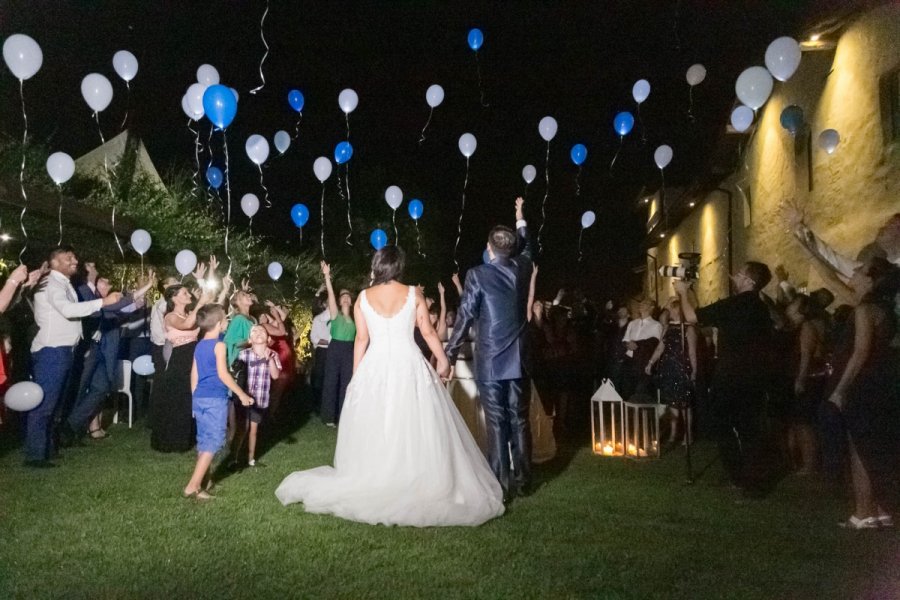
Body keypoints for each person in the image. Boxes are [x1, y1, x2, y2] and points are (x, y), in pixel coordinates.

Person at [276, 246, 504, 526]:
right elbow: (428, 331)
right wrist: (443, 360)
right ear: (399, 267)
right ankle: (414, 476)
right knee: (412, 419)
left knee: (381, 419)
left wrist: (356, 377)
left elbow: (361, 340)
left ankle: (382, 474)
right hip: (408, 363)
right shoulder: (413, 293)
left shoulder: (363, 297)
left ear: (378, 265)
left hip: (375, 366)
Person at [445, 197, 534, 501]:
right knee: (519, 420)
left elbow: (466, 313)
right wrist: (520, 218)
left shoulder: (478, 275)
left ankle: (499, 483)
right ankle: (524, 480)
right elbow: (526, 246)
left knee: (497, 421)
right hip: (520, 361)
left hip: (492, 361)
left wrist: (450, 351)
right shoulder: (523, 268)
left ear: (490, 247)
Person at [676, 262, 776, 498]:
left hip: (731, 375)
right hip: (755, 375)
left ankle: (740, 476)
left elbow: (692, 316)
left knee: (721, 424)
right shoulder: (761, 308)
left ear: (750, 281)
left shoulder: (734, 304)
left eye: (740, 274)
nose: (736, 277)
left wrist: (682, 293)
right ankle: (753, 483)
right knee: (750, 428)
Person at [26, 246, 122, 467]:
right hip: (52, 350)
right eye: (68, 257)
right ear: (54, 262)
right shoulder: (51, 283)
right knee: (45, 403)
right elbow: (68, 310)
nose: (75, 260)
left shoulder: (63, 283)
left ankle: (48, 449)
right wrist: (103, 302)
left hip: (64, 349)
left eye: (74, 256)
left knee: (58, 402)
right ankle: (35, 454)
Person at [827, 257, 899, 529]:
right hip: (881, 380)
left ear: (871, 279)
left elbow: (860, 352)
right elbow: (834, 282)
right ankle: (875, 509)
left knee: (858, 448)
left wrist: (840, 390)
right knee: (870, 446)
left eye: (859, 271)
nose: (853, 274)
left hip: (863, 384)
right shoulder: (885, 309)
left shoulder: (865, 310)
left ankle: (863, 512)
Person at [184, 304, 254, 501]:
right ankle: (192, 486)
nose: (227, 322)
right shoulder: (219, 346)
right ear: (218, 323)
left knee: (204, 440)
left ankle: (203, 483)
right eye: (225, 319)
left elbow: (194, 374)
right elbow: (223, 374)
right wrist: (241, 393)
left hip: (200, 398)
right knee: (213, 441)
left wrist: (193, 399)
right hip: (215, 398)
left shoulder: (199, 345)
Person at [151, 280, 209, 452]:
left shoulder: (190, 312)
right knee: (178, 399)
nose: (189, 295)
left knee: (189, 398)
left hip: (193, 357)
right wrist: (200, 302)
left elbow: (206, 313)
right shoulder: (170, 316)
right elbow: (186, 325)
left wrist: (205, 285)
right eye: (184, 293)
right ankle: (171, 441)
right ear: (174, 298)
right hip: (180, 359)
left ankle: (186, 439)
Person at [784, 294, 828, 474]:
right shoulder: (818, 324)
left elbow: (806, 355)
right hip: (814, 377)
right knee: (802, 421)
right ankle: (803, 461)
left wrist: (800, 379)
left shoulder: (808, 327)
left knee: (803, 422)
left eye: (794, 304)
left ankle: (809, 464)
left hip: (808, 379)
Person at [645, 297, 697, 445]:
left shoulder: (689, 328)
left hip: (682, 367)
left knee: (684, 402)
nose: (671, 311)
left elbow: (692, 352)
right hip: (669, 367)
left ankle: (688, 435)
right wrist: (650, 362)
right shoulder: (668, 328)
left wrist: (693, 371)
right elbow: (660, 347)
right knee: (672, 402)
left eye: (673, 308)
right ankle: (673, 434)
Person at [236, 325, 282, 467]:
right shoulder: (244, 354)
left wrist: (269, 360)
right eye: (254, 331)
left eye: (262, 330)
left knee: (253, 430)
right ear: (250, 340)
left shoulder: (273, 354)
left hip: (260, 399)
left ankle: (251, 459)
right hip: (244, 397)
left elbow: (275, 375)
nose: (258, 332)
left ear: (268, 339)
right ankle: (235, 457)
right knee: (241, 429)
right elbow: (240, 373)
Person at [319, 261, 355, 426]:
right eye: (343, 297)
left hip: (349, 350)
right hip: (335, 348)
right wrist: (327, 276)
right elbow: (331, 296)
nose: (346, 298)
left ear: (351, 301)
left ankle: (344, 417)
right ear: (340, 302)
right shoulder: (335, 315)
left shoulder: (356, 319)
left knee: (347, 383)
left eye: (348, 296)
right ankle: (328, 418)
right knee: (331, 381)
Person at [620, 298, 662, 401]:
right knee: (627, 390)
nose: (641, 305)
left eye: (645, 303)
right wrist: (627, 344)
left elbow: (654, 344)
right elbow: (625, 339)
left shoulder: (656, 325)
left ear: (651, 307)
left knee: (641, 392)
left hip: (642, 361)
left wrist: (637, 344)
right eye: (641, 303)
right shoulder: (632, 323)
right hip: (629, 360)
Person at [308, 294, 331, 410]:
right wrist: (327, 343)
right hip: (322, 351)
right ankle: (317, 404)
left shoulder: (339, 318)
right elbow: (314, 337)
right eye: (329, 301)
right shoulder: (318, 319)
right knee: (320, 377)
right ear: (324, 304)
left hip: (334, 351)